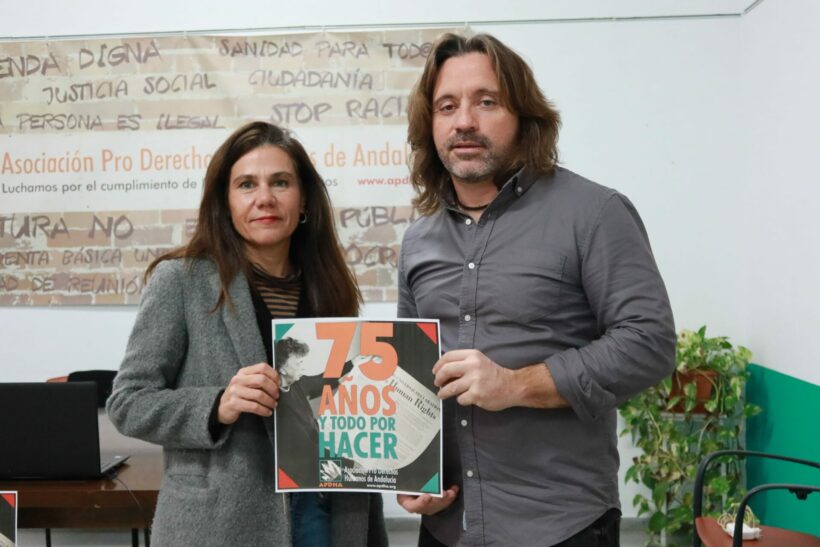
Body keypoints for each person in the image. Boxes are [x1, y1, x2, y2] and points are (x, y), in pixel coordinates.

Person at [396, 33, 676, 547]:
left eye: (487, 102)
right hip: (448, 526)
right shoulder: (418, 241)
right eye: (447, 106)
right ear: (429, 124)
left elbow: (649, 342)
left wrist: (515, 385)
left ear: (525, 116)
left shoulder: (594, 213)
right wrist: (415, 473)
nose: (464, 121)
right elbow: (411, 376)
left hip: (561, 526)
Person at [107, 121, 388, 547]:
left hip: (326, 513)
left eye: (281, 182)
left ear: (304, 198)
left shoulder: (330, 288)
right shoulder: (181, 280)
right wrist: (217, 404)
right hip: (222, 524)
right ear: (225, 201)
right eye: (246, 185)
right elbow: (128, 403)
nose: (265, 198)